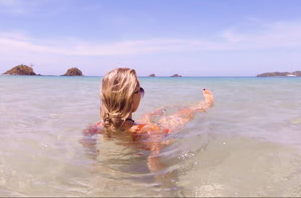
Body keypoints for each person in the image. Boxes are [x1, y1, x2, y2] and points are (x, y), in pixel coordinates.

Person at [81, 68, 214, 184]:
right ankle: (206, 104)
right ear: (131, 98)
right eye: (140, 91)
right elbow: (154, 163)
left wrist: (96, 159)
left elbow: (86, 136)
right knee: (183, 114)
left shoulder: (98, 126)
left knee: (147, 115)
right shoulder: (150, 129)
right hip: (153, 134)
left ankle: (154, 113)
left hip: (131, 131)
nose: (141, 94)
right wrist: (171, 186)